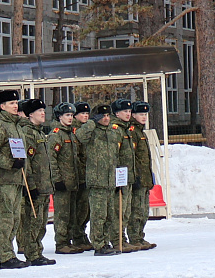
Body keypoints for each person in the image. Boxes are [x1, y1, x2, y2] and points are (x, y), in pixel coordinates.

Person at [0, 90, 30, 269]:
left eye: (16, 102)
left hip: (16, 179)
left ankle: (10, 253)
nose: (16, 106)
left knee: (15, 218)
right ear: (2, 106)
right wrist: (9, 164)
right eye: (11, 103)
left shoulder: (15, 125)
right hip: (3, 179)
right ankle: (5, 256)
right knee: (6, 219)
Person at [75, 101, 130, 254]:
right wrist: (92, 122)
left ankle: (106, 242)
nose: (106, 118)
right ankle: (99, 244)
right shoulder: (91, 131)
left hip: (110, 180)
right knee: (98, 215)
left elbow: (118, 155)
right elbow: (80, 136)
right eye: (102, 116)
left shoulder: (113, 132)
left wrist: (119, 178)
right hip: (97, 180)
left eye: (107, 115)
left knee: (109, 215)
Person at [16, 98, 56, 266]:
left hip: (45, 185)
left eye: (43, 110)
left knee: (41, 223)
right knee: (33, 222)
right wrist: (30, 185)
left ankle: (37, 250)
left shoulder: (39, 132)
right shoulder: (27, 133)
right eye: (39, 111)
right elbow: (27, 163)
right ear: (30, 114)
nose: (43, 113)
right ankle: (32, 253)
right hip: (35, 186)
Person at [50, 104, 88, 254]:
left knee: (72, 213)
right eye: (67, 115)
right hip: (62, 183)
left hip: (73, 182)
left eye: (72, 115)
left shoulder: (71, 134)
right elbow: (52, 159)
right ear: (60, 117)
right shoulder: (56, 135)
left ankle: (70, 240)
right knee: (62, 214)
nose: (70, 118)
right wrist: (57, 179)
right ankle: (61, 242)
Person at [125, 101, 157, 251]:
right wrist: (135, 176)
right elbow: (132, 156)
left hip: (144, 178)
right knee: (136, 209)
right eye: (141, 114)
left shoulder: (140, 131)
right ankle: (134, 236)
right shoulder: (132, 131)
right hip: (137, 177)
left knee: (143, 210)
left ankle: (139, 235)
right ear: (133, 115)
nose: (144, 117)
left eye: (145, 114)